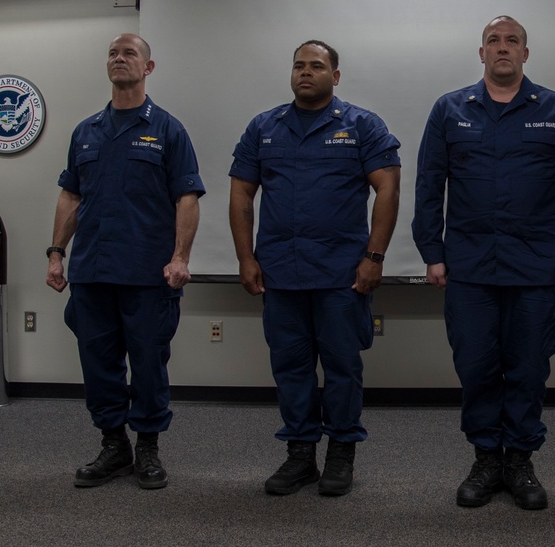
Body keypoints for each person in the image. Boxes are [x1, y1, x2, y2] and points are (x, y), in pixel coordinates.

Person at [412, 16, 555, 510]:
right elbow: (429, 188)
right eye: (494, 41)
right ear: (481, 54)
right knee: (475, 364)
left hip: (536, 266)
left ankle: (519, 459)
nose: (503, 48)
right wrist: (432, 253)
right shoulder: (449, 110)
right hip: (469, 268)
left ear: (525, 53)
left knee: (528, 366)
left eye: (512, 41)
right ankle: (484, 458)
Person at [229, 40, 401, 497]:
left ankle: (341, 453)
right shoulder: (264, 127)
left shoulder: (362, 125)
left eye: (317, 66)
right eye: (299, 66)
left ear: (335, 76)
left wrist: (374, 256)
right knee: (291, 367)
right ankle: (300, 453)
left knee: (343, 367)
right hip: (282, 273)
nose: (307, 72)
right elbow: (241, 194)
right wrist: (246, 257)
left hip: (342, 274)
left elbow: (388, 189)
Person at [46, 33, 204, 490]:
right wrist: (57, 253)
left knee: (149, 362)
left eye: (130, 53)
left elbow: (187, 198)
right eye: (113, 53)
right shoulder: (86, 131)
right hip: (92, 270)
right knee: (98, 362)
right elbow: (71, 195)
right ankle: (114, 445)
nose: (120, 59)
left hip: (147, 274)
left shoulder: (168, 130)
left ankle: (149, 448)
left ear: (148, 68)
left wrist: (180, 257)